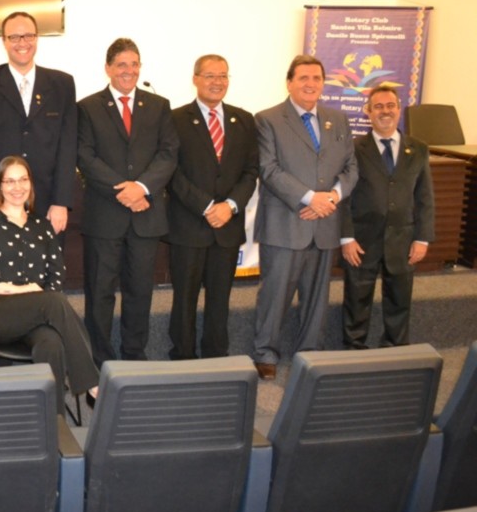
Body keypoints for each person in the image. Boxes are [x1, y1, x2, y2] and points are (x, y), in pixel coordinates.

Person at [0, 156, 98, 415]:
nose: (17, 187)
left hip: (36, 313)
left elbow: (56, 276)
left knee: (51, 342)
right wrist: (24, 290)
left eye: (23, 180)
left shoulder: (42, 226)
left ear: (31, 184)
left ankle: (53, 420)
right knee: (52, 301)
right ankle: (92, 383)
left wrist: (37, 296)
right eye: (10, 181)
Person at [252, 54, 357, 379]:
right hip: (286, 223)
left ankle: (310, 353)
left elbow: (351, 167)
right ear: (289, 83)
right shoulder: (268, 119)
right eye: (303, 78)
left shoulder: (338, 119)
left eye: (316, 78)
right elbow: (269, 169)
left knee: (317, 297)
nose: (311, 84)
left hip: (325, 222)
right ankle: (265, 353)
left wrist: (332, 197)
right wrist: (311, 198)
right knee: (275, 294)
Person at [77, 38, 178, 366]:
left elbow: (168, 153)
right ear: (108, 68)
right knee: (100, 294)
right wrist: (126, 191)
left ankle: (135, 358)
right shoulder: (88, 107)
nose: (129, 71)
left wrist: (142, 188)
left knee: (140, 293)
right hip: (105, 217)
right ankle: (99, 362)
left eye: (134, 64)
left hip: (146, 216)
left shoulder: (159, 105)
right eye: (122, 64)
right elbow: (85, 157)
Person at [166, 54, 259, 359]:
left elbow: (251, 171)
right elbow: (171, 171)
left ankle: (216, 357)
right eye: (210, 76)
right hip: (189, 226)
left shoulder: (243, 120)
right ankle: (183, 358)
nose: (217, 82)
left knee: (220, 301)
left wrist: (230, 206)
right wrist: (206, 206)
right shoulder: (175, 119)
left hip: (227, 227)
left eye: (223, 76)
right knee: (184, 300)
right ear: (195, 79)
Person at [0, 11, 77, 234]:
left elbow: (68, 147)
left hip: (47, 203)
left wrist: (61, 201)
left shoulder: (62, 84)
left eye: (28, 36)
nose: (22, 43)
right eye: (14, 37)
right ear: (4, 41)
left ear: (37, 38)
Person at [341, 86, 434, 349]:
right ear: (368, 112)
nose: (385, 111)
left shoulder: (418, 149)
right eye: (379, 106)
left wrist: (422, 239)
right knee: (356, 300)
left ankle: (395, 349)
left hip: (403, 239)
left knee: (399, 301)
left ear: (399, 109)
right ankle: (353, 350)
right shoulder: (353, 149)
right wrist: (346, 237)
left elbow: (425, 197)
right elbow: (344, 196)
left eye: (390, 105)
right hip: (361, 240)